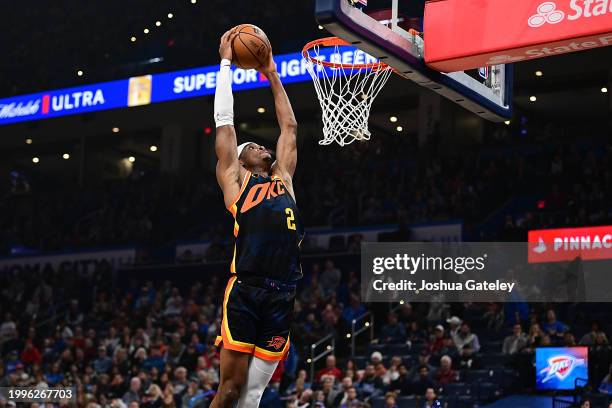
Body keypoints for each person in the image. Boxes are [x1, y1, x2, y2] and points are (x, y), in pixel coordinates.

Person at [210, 29, 301, 408]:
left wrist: (272, 73)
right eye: (253, 146)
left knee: (253, 396)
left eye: (263, 146)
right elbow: (226, 123)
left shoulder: (284, 180)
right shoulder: (235, 181)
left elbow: (290, 128)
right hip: (246, 291)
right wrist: (227, 62)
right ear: (242, 159)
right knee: (230, 390)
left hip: (282, 293)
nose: (262, 146)